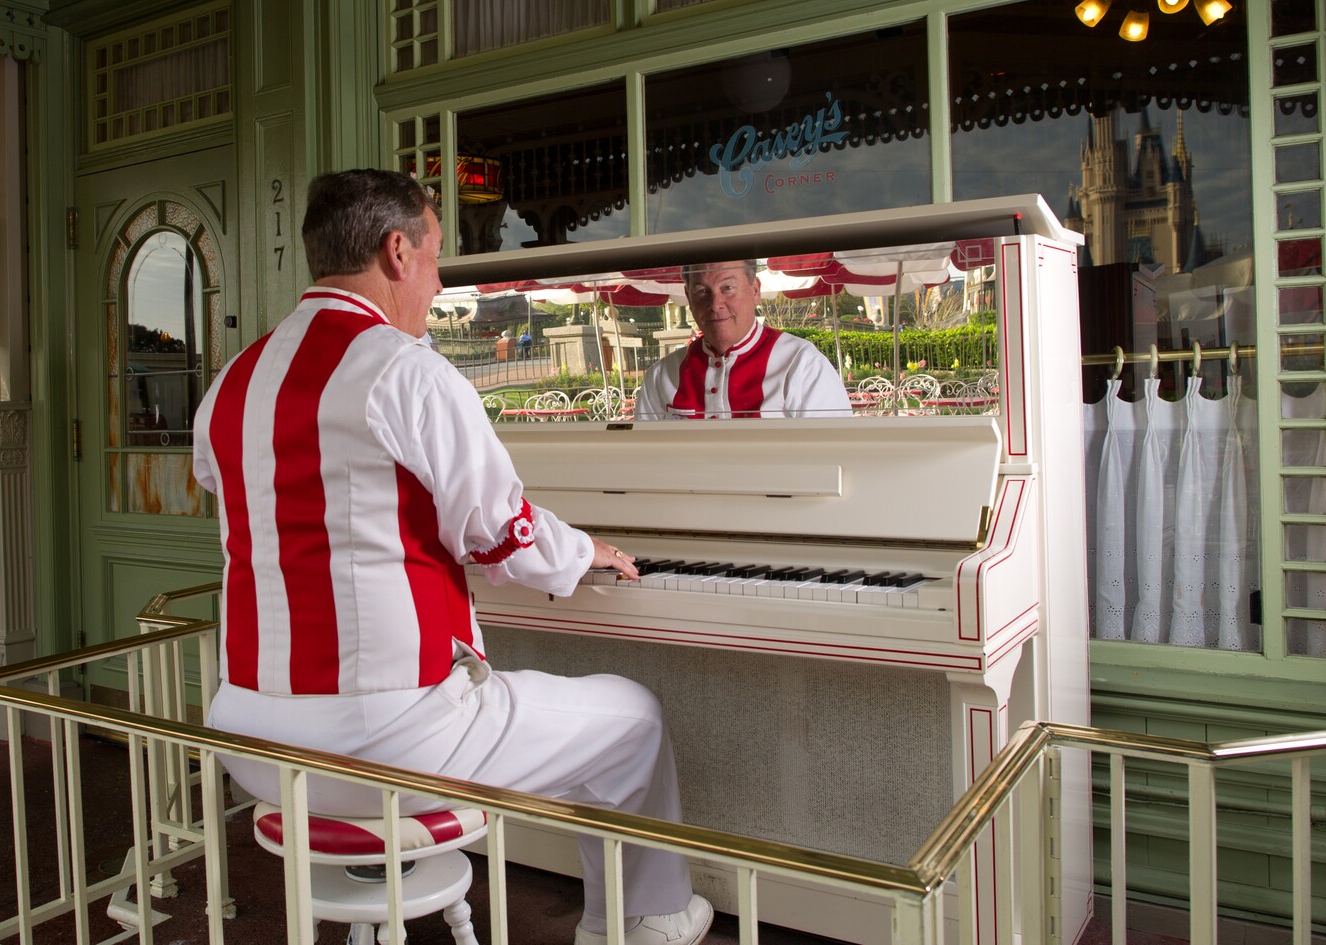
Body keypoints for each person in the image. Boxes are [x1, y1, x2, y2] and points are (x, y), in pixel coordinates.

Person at [192, 169, 712, 945]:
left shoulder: (232, 381)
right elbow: (500, 531)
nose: (438, 281)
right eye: (435, 256)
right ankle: (642, 921)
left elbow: (253, 498)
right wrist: (586, 553)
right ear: (396, 252)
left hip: (252, 740)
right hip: (383, 740)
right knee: (633, 719)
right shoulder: (405, 369)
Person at [634, 259, 850, 419]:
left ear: (755, 290)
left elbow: (836, 457)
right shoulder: (661, 375)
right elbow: (643, 459)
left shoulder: (802, 364)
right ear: (688, 297)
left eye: (728, 288)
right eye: (701, 291)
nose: (715, 304)